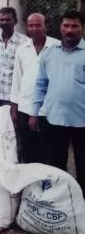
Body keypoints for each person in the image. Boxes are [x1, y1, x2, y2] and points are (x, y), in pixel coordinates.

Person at [29, 10, 85, 193]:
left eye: (74, 26)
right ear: (60, 28)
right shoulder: (49, 54)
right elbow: (40, 84)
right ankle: (60, 204)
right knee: (56, 166)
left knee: (83, 168)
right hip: (54, 120)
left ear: (82, 29)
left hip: (82, 122)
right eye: (66, 25)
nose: (70, 30)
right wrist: (34, 112)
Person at [10, 13, 58, 163]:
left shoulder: (57, 47)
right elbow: (17, 79)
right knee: (28, 149)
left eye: (38, 25)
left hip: (49, 109)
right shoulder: (22, 49)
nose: (34, 28)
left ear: (45, 26)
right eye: (31, 25)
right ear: (27, 27)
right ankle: (31, 183)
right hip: (25, 107)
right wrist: (14, 108)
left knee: (48, 150)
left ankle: (48, 183)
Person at [0, 7, 27, 109]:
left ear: (15, 21)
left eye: (8, 19)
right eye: (1, 20)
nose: (4, 22)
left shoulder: (24, 42)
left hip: (13, 97)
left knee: (10, 124)